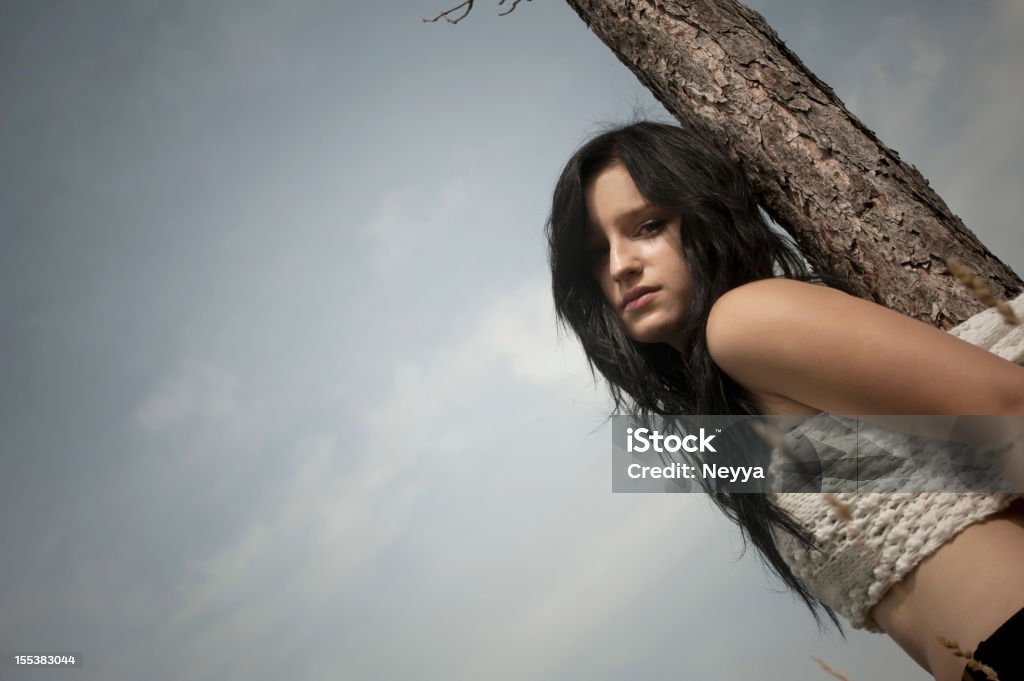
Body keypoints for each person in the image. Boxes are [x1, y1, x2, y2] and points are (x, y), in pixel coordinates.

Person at [545, 120, 1024, 681]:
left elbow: (1007, 408)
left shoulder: (743, 320)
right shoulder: (728, 418)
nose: (621, 265)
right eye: (598, 253)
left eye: (648, 226)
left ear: (703, 215)